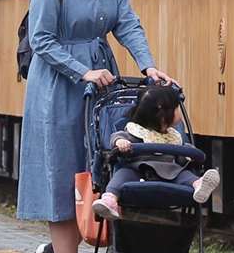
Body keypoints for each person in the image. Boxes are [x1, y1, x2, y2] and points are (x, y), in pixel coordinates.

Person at [20, 0, 172, 253]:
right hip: (58, 88)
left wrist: (149, 67)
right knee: (63, 173)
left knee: (95, 170)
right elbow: (41, 40)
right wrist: (81, 70)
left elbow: (127, 23)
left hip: (99, 88)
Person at [91, 85, 220, 220]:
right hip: (138, 171)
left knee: (184, 174)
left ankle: (198, 184)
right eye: (176, 109)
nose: (179, 113)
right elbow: (116, 137)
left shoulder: (173, 136)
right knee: (121, 174)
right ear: (164, 116)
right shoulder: (137, 132)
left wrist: (188, 155)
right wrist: (120, 142)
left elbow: (182, 152)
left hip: (170, 172)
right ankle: (110, 199)